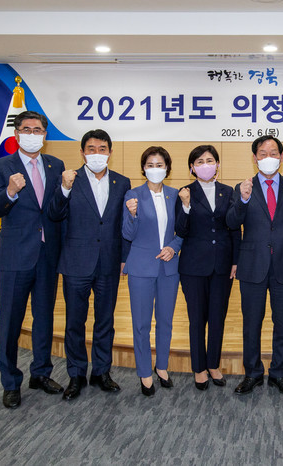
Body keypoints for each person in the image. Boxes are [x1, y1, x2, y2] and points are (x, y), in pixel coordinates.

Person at [0, 110, 65, 409]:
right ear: (17, 134)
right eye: (27, 129)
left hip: (47, 255)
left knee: (44, 318)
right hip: (15, 257)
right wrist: (10, 191)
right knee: (10, 322)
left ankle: (41, 373)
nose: (33, 134)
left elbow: (57, 208)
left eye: (38, 130)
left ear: (45, 134)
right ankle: (10, 382)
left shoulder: (55, 165)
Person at [47, 129, 131, 401]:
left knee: (105, 321)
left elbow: (123, 225)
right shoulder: (70, 179)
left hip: (109, 262)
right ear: (82, 152)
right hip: (76, 263)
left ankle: (102, 372)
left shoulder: (122, 182)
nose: (97, 153)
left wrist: (124, 257)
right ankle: (76, 374)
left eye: (102, 149)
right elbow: (54, 214)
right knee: (75, 322)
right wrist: (64, 188)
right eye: (91, 149)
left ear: (110, 152)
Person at [226, 135, 283, 396]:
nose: (268, 157)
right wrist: (243, 200)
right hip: (252, 265)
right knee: (251, 323)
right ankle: (252, 373)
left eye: (273, 153)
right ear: (255, 158)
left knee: (282, 322)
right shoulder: (243, 187)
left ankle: (279, 373)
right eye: (263, 153)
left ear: (281, 157)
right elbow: (231, 223)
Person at [175, 145, 240, 390]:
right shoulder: (184, 193)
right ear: (192, 167)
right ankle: (199, 368)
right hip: (193, 267)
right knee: (196, 319)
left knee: (217, 318)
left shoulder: (228, 192)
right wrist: (186, 206)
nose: (205, 165)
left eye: (210, 160)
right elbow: (180, 230)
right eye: (200, 161)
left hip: (222, 265)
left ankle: (213, 364)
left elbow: (234, 228)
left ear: (218, 165)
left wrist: (236, 261)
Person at [122, 146, 182, 397]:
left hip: (169, 268)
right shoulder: (133, 195)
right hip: (141, 268)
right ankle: (145, 372)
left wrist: (174, 247)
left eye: (160, 165)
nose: (155, 169)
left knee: (166, 321)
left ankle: (162, 366)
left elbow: (184, 230)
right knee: (141, 324)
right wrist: (132, 214)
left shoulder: (176, 195)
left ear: (167, 168)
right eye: (150, 165)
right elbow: (127, 233)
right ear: (143, 168)